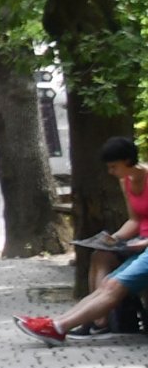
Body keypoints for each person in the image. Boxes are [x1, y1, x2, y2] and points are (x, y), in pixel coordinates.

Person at [16, 137, 148, 343]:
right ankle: (60, 323)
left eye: (114, 166)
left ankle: (60, 328)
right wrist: (114, 239)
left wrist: (144, 243)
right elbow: (135, 220)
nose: (110, 172)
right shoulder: (127, 181)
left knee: (114, 285)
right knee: (107, 278)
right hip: (140, 243)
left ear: (128, 160)